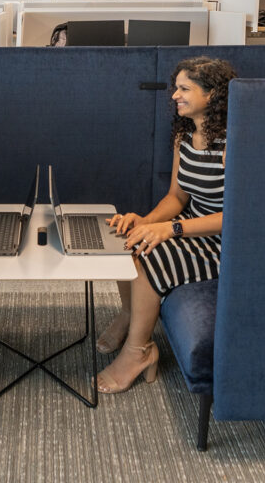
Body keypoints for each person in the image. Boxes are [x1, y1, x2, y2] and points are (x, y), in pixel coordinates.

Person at [96, 56, 234, 394]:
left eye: (185, 89)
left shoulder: (234, 143)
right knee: (127, 237)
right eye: (176, 88)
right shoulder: (185, 135)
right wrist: (144, 221)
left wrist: (170, 230)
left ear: (213, 95)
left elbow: (236, 215)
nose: (175, 95)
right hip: (190, 223)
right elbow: (176, 197)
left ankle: (139, 351)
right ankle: (130, 315)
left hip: (224, 239)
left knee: (149, 252)